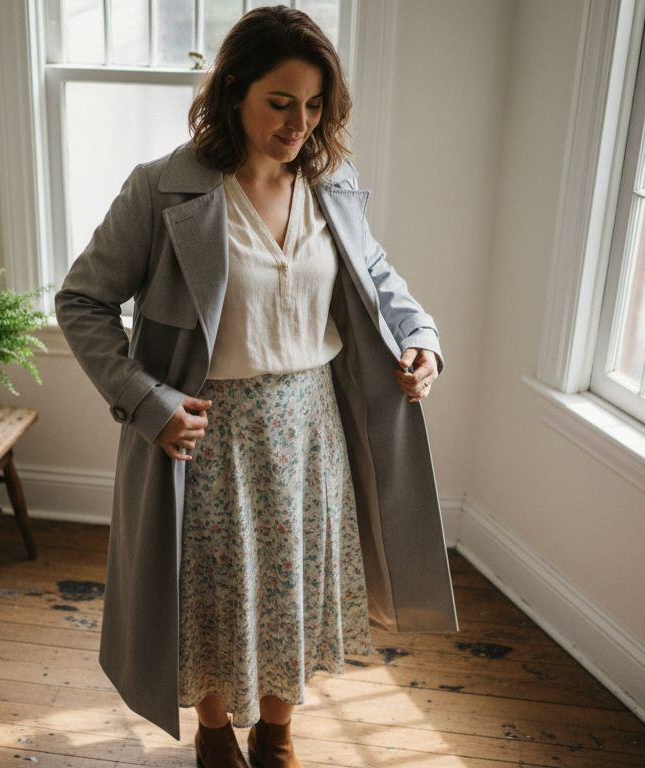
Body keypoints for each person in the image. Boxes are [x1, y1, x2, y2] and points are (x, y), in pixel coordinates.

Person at [56, 7, 458, 767]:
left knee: (293, 592)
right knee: (211, 596)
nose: (299, 123)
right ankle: (214, 732)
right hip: (208, 433)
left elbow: (375, 275)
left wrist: (421, 338)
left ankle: (276, 731)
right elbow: (80, 300)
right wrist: (148, 402)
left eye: (314, 106)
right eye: (281, 103)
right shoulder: (162, 191)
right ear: (233, 90)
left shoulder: (331, 183)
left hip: (312, 427)